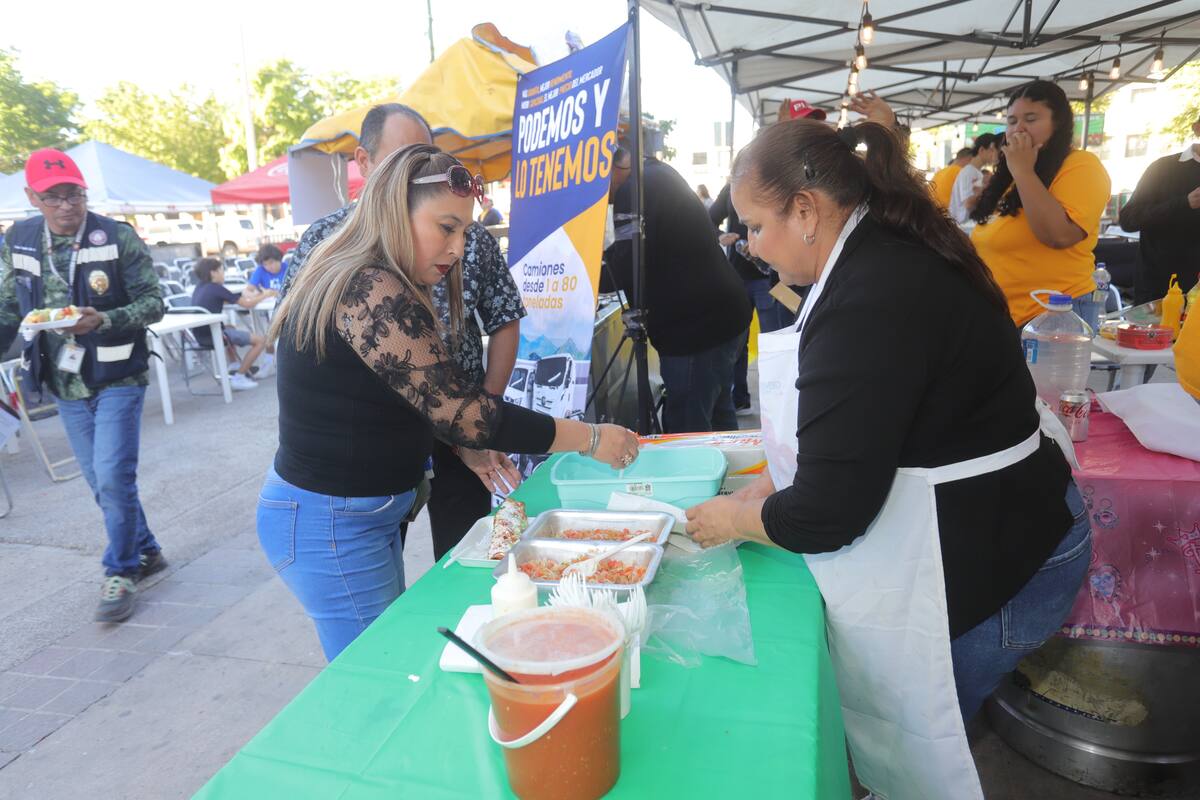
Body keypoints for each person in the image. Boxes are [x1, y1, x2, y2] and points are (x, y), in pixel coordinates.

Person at [684, 119, 1090, 800]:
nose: (751, 248)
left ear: (807, 211)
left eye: (755, 227)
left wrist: (733, 519)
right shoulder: (887, 245)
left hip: (999, 561)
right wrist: (778, 490)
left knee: (913, 755)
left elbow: (828, 513)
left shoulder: (872, 291)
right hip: (1013, 525)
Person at [260, 144, 640, 660]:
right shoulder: (368, 288)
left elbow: (414, 398)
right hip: (332, 523)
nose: (459, 247)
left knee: (385, 655)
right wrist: (591, 438)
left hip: (357, 515)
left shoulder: (377, 277)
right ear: (396, 212)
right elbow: (472, 415)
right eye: (447, 227)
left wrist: (462, 446)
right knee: (378, 672)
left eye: (464, 230)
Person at [281, 103, 527, 562]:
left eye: (423, 157)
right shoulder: (335, 247)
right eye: (399, 159)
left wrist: (479, 416)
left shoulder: (464, 234)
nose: (452, 248)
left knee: (465, 559)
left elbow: (505, 317)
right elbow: (299, 343)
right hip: (373, 452)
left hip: (459, 424)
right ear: (365, 162)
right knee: (372, 560)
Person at [0, 148, 167, 622]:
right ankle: (147, 549)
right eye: (53, 197)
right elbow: (8, 306)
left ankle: (120, 570)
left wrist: (104, 319)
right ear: (33, 197)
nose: (66, 206)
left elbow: (154, 303)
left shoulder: (116, 237)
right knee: (101, 481)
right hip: (62, 380)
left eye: (73, 194)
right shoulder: (20, 239)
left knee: (113, 476)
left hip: (118, 374)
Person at [604, 145, 752, 433]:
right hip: (722, 315)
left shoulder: (633, 189)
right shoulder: (657, 173)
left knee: (687, 429)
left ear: (609, 170)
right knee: (719, 417)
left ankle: (701, 478)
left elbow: (627, 267)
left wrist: (585, 276)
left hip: (696, 330)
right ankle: (735, 476)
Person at [971, 80, 1112, 329]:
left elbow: (1058, 236)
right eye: (1012, 121)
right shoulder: (1016, 176)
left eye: (1031, 119)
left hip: (1053, 317)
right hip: (1006, 318)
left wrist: (1023, 171)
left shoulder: (1081, 165)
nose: (1019, 129)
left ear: (1057, 124)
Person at [709, 180, 796, 413]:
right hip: (736, 278)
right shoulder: (729, 189)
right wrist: (721, 236)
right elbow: (709, 219)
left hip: (769, 279)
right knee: (738, 342)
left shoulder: (773, 187)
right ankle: (740, 397)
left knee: (774, 340)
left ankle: (779, 399)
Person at [1117, 114, 1200, 304]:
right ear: (1197, 129)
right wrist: (1185, 203)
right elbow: (1129, 219)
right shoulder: (1164, 168)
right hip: (1159, 290)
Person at [189, 258, 271, 391]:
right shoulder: (217, 288)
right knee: (260, 341)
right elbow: (247, 304)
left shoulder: (200, 287)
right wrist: (265, 295)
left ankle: (234, 365)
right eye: (221, 270)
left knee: (231, 328)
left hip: (200, 335)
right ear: (213, 273)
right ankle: (240, 376)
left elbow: (224, 300)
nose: (223, 274)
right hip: (215, 335)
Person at [948, 132, 1001, 224]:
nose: (994, 153)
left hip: (966, 225)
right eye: (991, 149)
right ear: (981, 150)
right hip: (962, 226)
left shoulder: (976, 172)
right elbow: (968, 204)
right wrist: (985, 189)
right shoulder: (968, 171)